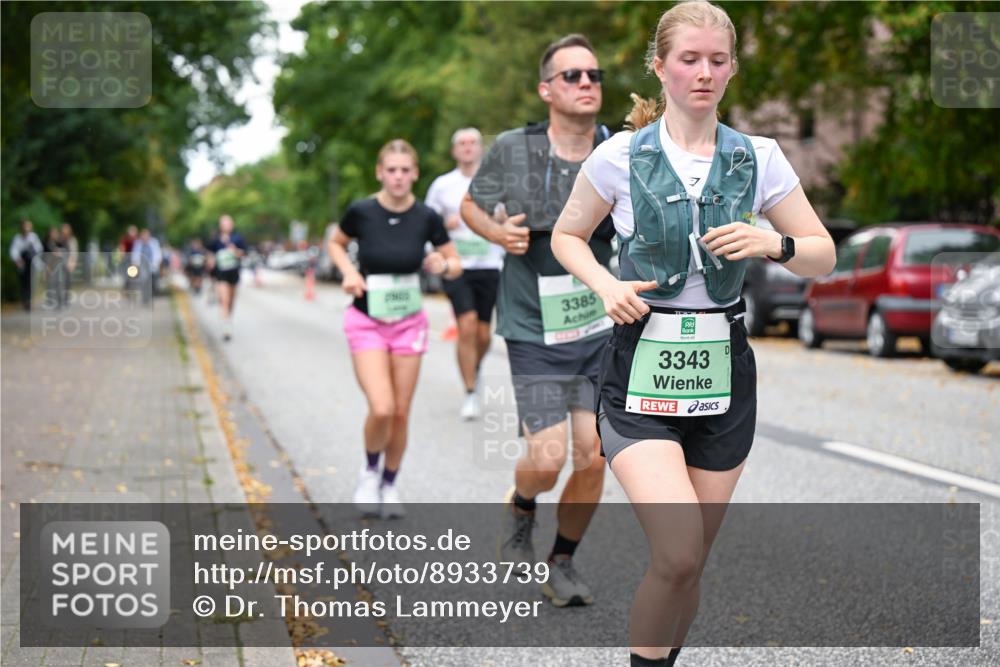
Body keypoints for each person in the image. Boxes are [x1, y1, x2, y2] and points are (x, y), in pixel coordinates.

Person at [550, 3, 836, 665]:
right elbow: (568, 236)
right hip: (641, 363)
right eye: (688, 59)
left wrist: (774, 241)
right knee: (675, 549)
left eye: (716, 60)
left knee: (688, 564)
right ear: (660, 66)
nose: (703, 72)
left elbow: (824, 254)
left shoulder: (758, 157)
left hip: (724, 370)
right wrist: (606, 284)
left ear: (732, 68)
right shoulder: (619, 156)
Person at [461, 34, 614, 608]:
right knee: (547, 458)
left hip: (599, 326)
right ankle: (522, 508)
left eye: (593, 75)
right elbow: (470, 205)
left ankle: (564, 560)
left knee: (595, 453)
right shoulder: (513, 148)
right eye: (572, 76)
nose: (586, 84)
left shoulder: (617, 149)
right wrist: (497, 233)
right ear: (546, 89)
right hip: (533, 325)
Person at [328, 139, 461, 519]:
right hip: (366, 320)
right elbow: (336, 244)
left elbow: (455, 263)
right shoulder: (361, 211)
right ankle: (369, 472)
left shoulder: (426, 217)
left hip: (408, 323)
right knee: (382, 406)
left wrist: (441, 263)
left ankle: (389, 483)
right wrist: (350, 272)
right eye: (392, 170)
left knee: (401, 412)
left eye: (406, 170)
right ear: (380, 173)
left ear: (415, 174)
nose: (399, 177)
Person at [425, 128, 501, 420]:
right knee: (466, 325)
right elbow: (428, 223)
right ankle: (470, 391)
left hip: (491, 264)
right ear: (454, 151)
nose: (467, 148)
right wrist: (446, 225)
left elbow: (511, 216)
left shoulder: (496, 181)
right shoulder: (442, 185)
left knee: (483, 334)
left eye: (472, 143)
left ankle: (475, 367)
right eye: (462, 144)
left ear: (481, 148)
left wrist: (494, 219)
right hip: (456, 266)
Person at [206, 215, 248, 341]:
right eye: (224, 223)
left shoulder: (238, 238)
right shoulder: (216, 239)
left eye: (228, 222)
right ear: (220, 225)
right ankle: (226, 327)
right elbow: (209, 252)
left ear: (232, 224)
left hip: (234, 273)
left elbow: (244, 253)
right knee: (224, 299)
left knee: (231, 301)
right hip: (221, 273)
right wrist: (210, 260)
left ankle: (227, 318)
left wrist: (235, 251)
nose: (226, 225)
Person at [9, 219, 43, 311]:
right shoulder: (17, 238)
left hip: (31, 263)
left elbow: (39, 249)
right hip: (22, 263)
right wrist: (18, 260)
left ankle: (29, 300)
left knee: (30, 282)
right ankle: (25, 300)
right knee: (23, 283)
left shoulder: (33, 237)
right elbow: (14, 251)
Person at [130, 228, 163, 305]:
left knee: (153, 283)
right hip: (142, 266)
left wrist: (156, 263)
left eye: (146, 235)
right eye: (143, 235)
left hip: (153, 266)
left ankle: (150, 294)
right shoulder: (138, 243)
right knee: (144, 281)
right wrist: (135, 263)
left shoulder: (154, 242)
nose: (144, 237)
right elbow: (135, 254)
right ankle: (145, 297)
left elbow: (157, 254)